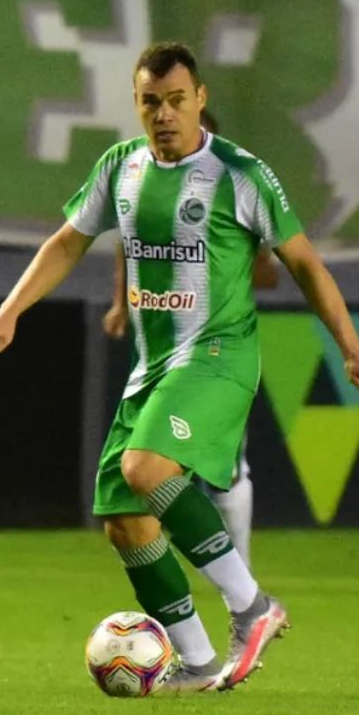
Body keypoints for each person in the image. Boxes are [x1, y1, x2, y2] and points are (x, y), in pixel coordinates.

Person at [0, 41, 359, 693]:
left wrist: (351, 347)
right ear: (137, 105)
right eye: (150, 103)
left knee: (145, 469)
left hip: (221, 353)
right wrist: (8, 313)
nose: (163, 114)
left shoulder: (239, 173)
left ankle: (252, 605)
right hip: (154, 366)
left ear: (200, 100)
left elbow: (305, 262)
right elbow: (66, 242)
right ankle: (195, 661)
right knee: (123, 516)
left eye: (175, 100)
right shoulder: (122, 167)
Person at [101, 108, 275, 566]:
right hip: (159, 350)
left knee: (225, 472)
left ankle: (241, 576)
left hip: (216, 353)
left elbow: (271, 273)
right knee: (152, 468)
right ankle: (224, 578)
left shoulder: (236, 190)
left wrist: (226, 256)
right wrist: (121, 303)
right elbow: (127, 243)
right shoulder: (144, 188)